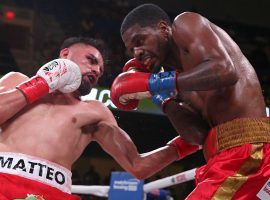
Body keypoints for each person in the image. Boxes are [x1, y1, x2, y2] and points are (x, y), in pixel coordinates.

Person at [0, 36, 199, 200]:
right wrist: (41, 83)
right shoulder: (17, 80)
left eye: (100, 70)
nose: (96, 71)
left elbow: (138, 166)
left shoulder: (95, 112)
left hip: (52, 192)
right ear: (65, 55)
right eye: (91, 60)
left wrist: (189, 141)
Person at [110, 3, 270, 199]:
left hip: (250, 149)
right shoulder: (180, 83)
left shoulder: (186, 23)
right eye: (132, 49)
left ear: (162, 28)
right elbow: (198, 136)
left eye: (140, 40)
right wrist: (162, 98)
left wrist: (156, 82)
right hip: (224, 156)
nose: (137, 52)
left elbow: (225, 71)